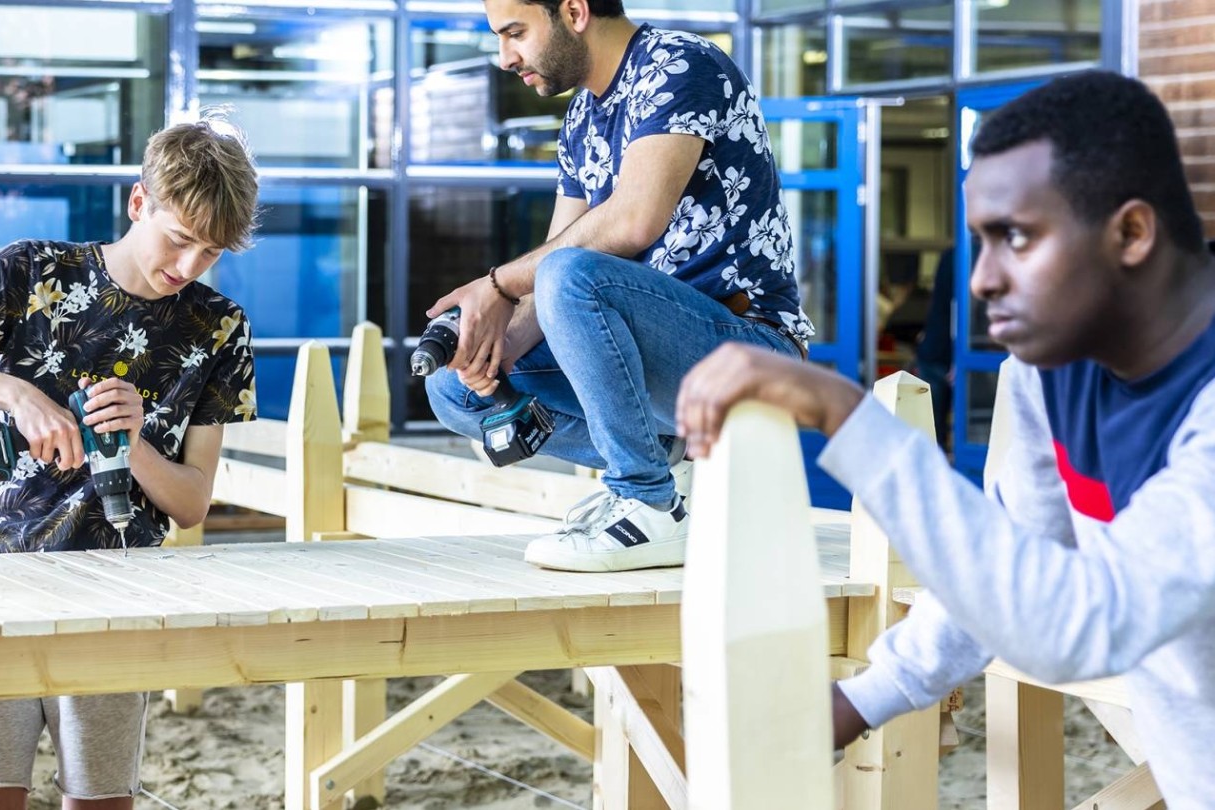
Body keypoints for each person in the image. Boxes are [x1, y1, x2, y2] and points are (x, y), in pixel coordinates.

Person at [676, 71, 1215, 805]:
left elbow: (1071, 624)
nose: (982, 281)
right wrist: (866, 698)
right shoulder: (1049, 370)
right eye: (979, 242)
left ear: (1130, 232)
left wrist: (848, 414)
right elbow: (1011, 564)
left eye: (1015, 238)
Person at [0, 117, 260, 810]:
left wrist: (133, 444)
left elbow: (192, 504)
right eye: (180, 240)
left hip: (118, 595)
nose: (190, 267)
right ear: (140, 204)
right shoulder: (32, 272)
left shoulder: (219, 326)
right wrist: (13, 393)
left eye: (213, 252)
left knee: (101, 800)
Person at [423, 0, 810, 572]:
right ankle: (669, 465)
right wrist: (494, 344)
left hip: (750, 353)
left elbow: (632, 222)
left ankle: (648, 502)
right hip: (662, 359)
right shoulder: (582, 116)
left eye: (515, 33)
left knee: (569, 273)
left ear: (574, 11)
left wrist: (497, 285)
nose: (505, 57)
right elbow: (555, 268)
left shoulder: (681, 64)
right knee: (452, 388)